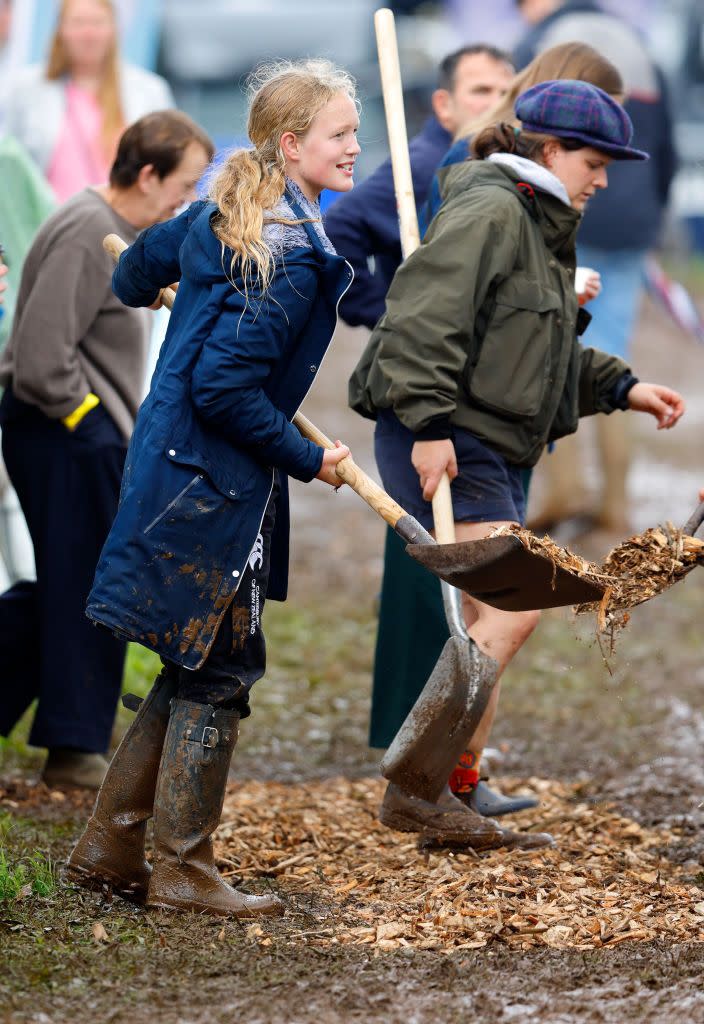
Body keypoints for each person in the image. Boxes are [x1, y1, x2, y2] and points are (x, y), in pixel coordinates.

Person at [349, 80, 685, 849]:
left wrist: (623, 387)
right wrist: (428, 425)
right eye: (594, 161)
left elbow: (532, 352)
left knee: (490, 618)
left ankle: (453, 786)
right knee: (511, 609)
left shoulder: (537, 221)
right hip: (446, 433)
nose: (603, 179)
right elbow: (422, 320)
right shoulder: (491, 209)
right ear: (547, 149)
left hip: (482, 437)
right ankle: (417, 786)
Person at [67, 59, 359, 918]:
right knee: (221, 664)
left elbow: (131, 275)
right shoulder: (292, 251)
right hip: (211, 484)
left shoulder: (212, 213)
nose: (355, 147)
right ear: (291, 143)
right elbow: (224, 392)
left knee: (195, 656)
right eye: (341, 134)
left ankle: (109, 848)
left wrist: (166, 286)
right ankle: (185, 868)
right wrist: (313, 461)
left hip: (174, 467)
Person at [0, 110, 214, 788]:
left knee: (80, 585)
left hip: (86, 431)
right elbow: (38, 355)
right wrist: (90, 422)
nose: (186, 198)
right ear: (146, 173)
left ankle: (73, 739)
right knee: (86, 588)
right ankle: (74, 747)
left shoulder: (128, 235)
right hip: (59, 429)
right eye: (182, 183)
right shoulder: (86, 232)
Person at [324, 43, 513, 779]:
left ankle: (448, 760)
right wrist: (387, 311)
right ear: (444, 102)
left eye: (506, 87)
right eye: (480, 87)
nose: (494, 98)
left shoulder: (488, 167)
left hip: (471, 395)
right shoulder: (422, 164)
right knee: (432, 572)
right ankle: (419, 755)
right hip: (422, 397)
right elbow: (339, 240)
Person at [513, 0, 678, 533]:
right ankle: (615, 504)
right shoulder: (637, 41)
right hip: (633, 217)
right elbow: (670, 146)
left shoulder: (546, 41)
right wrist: (650, 210)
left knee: (554, 344)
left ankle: (563, 492)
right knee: (611, 346)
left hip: (571, 209)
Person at [3, 0, 174, 202]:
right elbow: (10, 169)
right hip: (53, 224)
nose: (88, 33)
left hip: (126, 226)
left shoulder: (149, 91)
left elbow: (169, 165)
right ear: (60, 30)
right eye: (78, 23)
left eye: (97, 22)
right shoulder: (26, 89)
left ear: (114, 28)